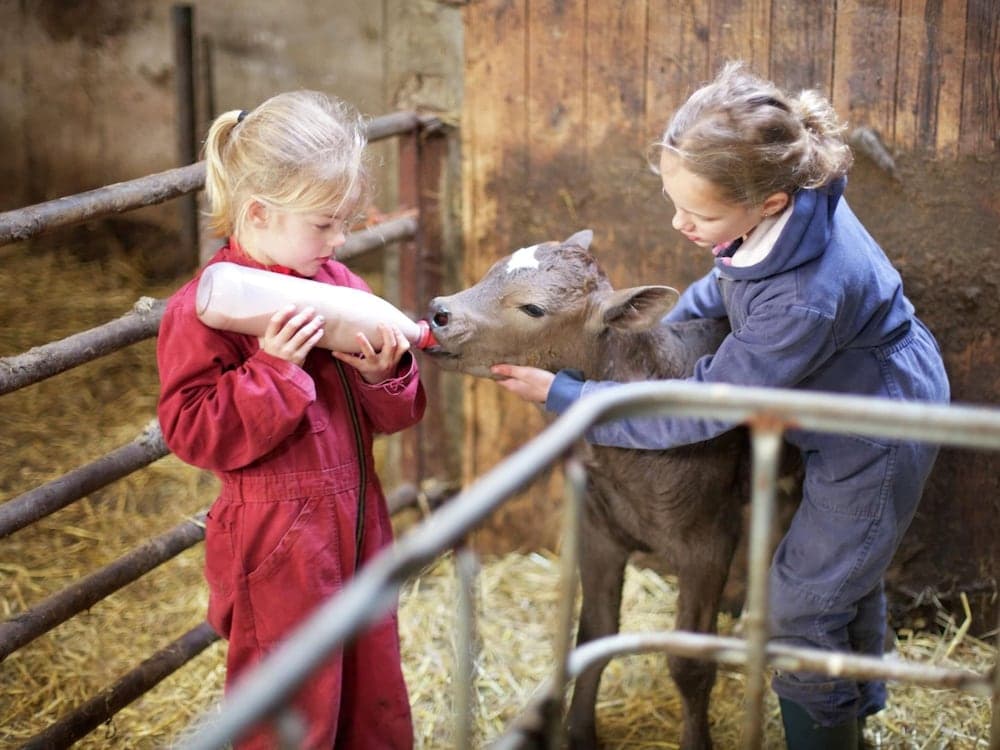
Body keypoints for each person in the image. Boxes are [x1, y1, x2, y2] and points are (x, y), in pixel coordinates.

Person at [491, 61, 950, 748]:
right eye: (674, 204)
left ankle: (827, 732)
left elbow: (707, 406)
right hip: (839, 401)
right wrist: (645, 343)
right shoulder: (780, 209)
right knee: (840, 575)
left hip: (879, 425)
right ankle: (853, 714)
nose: (680, 224)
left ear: (767, 202)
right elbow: (725, 286)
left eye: (699, 214)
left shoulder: (804, 295)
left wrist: (574, 397)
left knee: (804, 604)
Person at [156, 91, 424, 749]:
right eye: (325, 224)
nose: (340, 241)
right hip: (276, 539)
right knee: (289, 703)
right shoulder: (204, 308)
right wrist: (272, 372)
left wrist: (383, 375)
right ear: (258, 212)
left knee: (372, 687)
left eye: (344, 223)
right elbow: (189, 429)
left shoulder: (336, 284)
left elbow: (396, 412)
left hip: (358, 519)